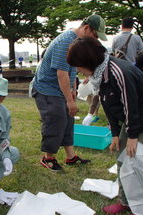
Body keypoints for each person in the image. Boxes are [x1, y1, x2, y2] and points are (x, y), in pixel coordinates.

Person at [67, 37, 143, 215]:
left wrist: (132, 136)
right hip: (134, 121)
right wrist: (115, 133)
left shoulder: (118, 72)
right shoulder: (99, 75)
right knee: (123, 160)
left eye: (79, 66)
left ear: (87, 62)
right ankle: (126, 202)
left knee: (138, 164)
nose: (78, 71)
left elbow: (131, 106)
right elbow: (108, 104)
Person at [32, 14, 107, 171]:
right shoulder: (66, 41)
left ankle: (70, 157)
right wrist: (69, 100)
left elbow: (72, 68)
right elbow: (61, 73)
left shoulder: (76, 42)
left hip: (61, 87)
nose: (95, 41)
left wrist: (73, 90)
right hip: (47, 88)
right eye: (94, 36)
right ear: (86, 28)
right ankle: (48, 158)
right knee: (56, 119)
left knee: (68, 119)